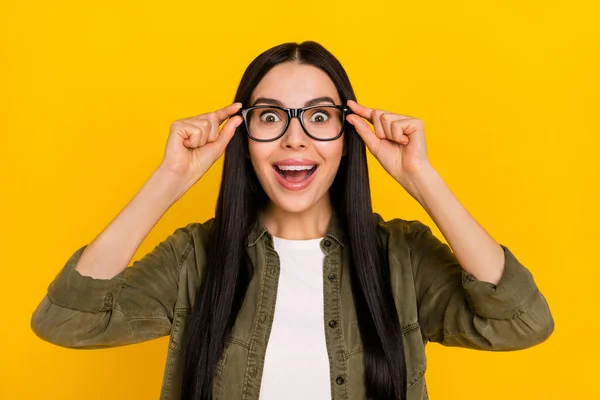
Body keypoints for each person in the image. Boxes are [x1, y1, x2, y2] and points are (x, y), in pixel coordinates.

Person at [30, 41, 554, 400]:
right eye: (271, 116)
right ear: (244, 136)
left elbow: (519, 322)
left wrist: (421, 178)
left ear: (350, 139)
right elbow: (67, 321)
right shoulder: (197, 257)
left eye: (319, 116)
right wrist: (170, 177)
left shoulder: (400, 256)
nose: (295, 138)